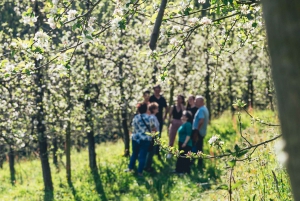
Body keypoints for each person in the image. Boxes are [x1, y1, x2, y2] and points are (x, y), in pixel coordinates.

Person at [126, 103, 155, 176]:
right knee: (142, 156)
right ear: (146, 109)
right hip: (145, 139)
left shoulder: (135, 117)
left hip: (135, 138)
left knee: (134, 154)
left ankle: (130, 168)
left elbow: (133, 127)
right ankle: (140, 172)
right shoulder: (150, 118)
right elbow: (153, 129)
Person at [149, 85, 168, 156]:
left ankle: (157, 150)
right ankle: (151, 150)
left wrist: (165, 116)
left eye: (158, 90)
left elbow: (166, 107)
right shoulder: (151, 98)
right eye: (155, 90)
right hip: (152, 118)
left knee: (158, 135)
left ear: (160, 90)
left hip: (159, 119)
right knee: (152, 134)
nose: (157, 91)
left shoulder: (162, 98)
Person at [192, 96, 209, 169]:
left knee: (197, 148)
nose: (195, 102)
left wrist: (196, 131)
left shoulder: (201, 110)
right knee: (199, 148)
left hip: (198, 132)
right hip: (202, 132)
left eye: (196, 101)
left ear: (201, 102)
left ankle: (196, 163)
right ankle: (199, 163)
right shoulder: (204, 109)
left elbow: (201, 120)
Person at [145, 102, 160, 172]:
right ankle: (147, 167)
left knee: (151, 152)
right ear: (153, 109)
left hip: (153, 136)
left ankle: (148, 165)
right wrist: (155, 136)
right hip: (152, 137)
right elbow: (153, 127)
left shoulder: (154, 117)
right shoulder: (151, 118)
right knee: (150, 152)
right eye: (156, 108)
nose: (158, 109)